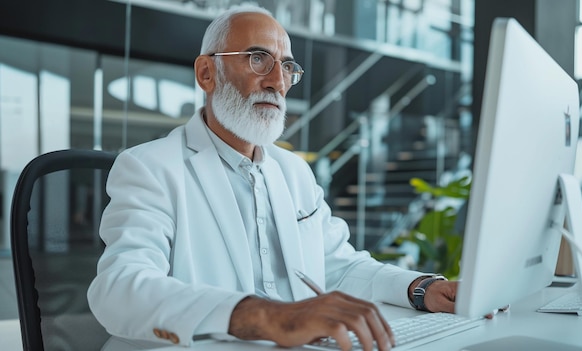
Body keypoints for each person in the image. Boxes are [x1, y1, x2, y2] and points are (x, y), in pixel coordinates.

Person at [87, 5, 459, 351]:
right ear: (206, 73)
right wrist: (266, 317)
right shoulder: (150, 166)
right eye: (258, 59)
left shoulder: (294, 171)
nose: (277, 82)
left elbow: (338, 265)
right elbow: (118, 290)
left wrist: (419, 289)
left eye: (287, 67)